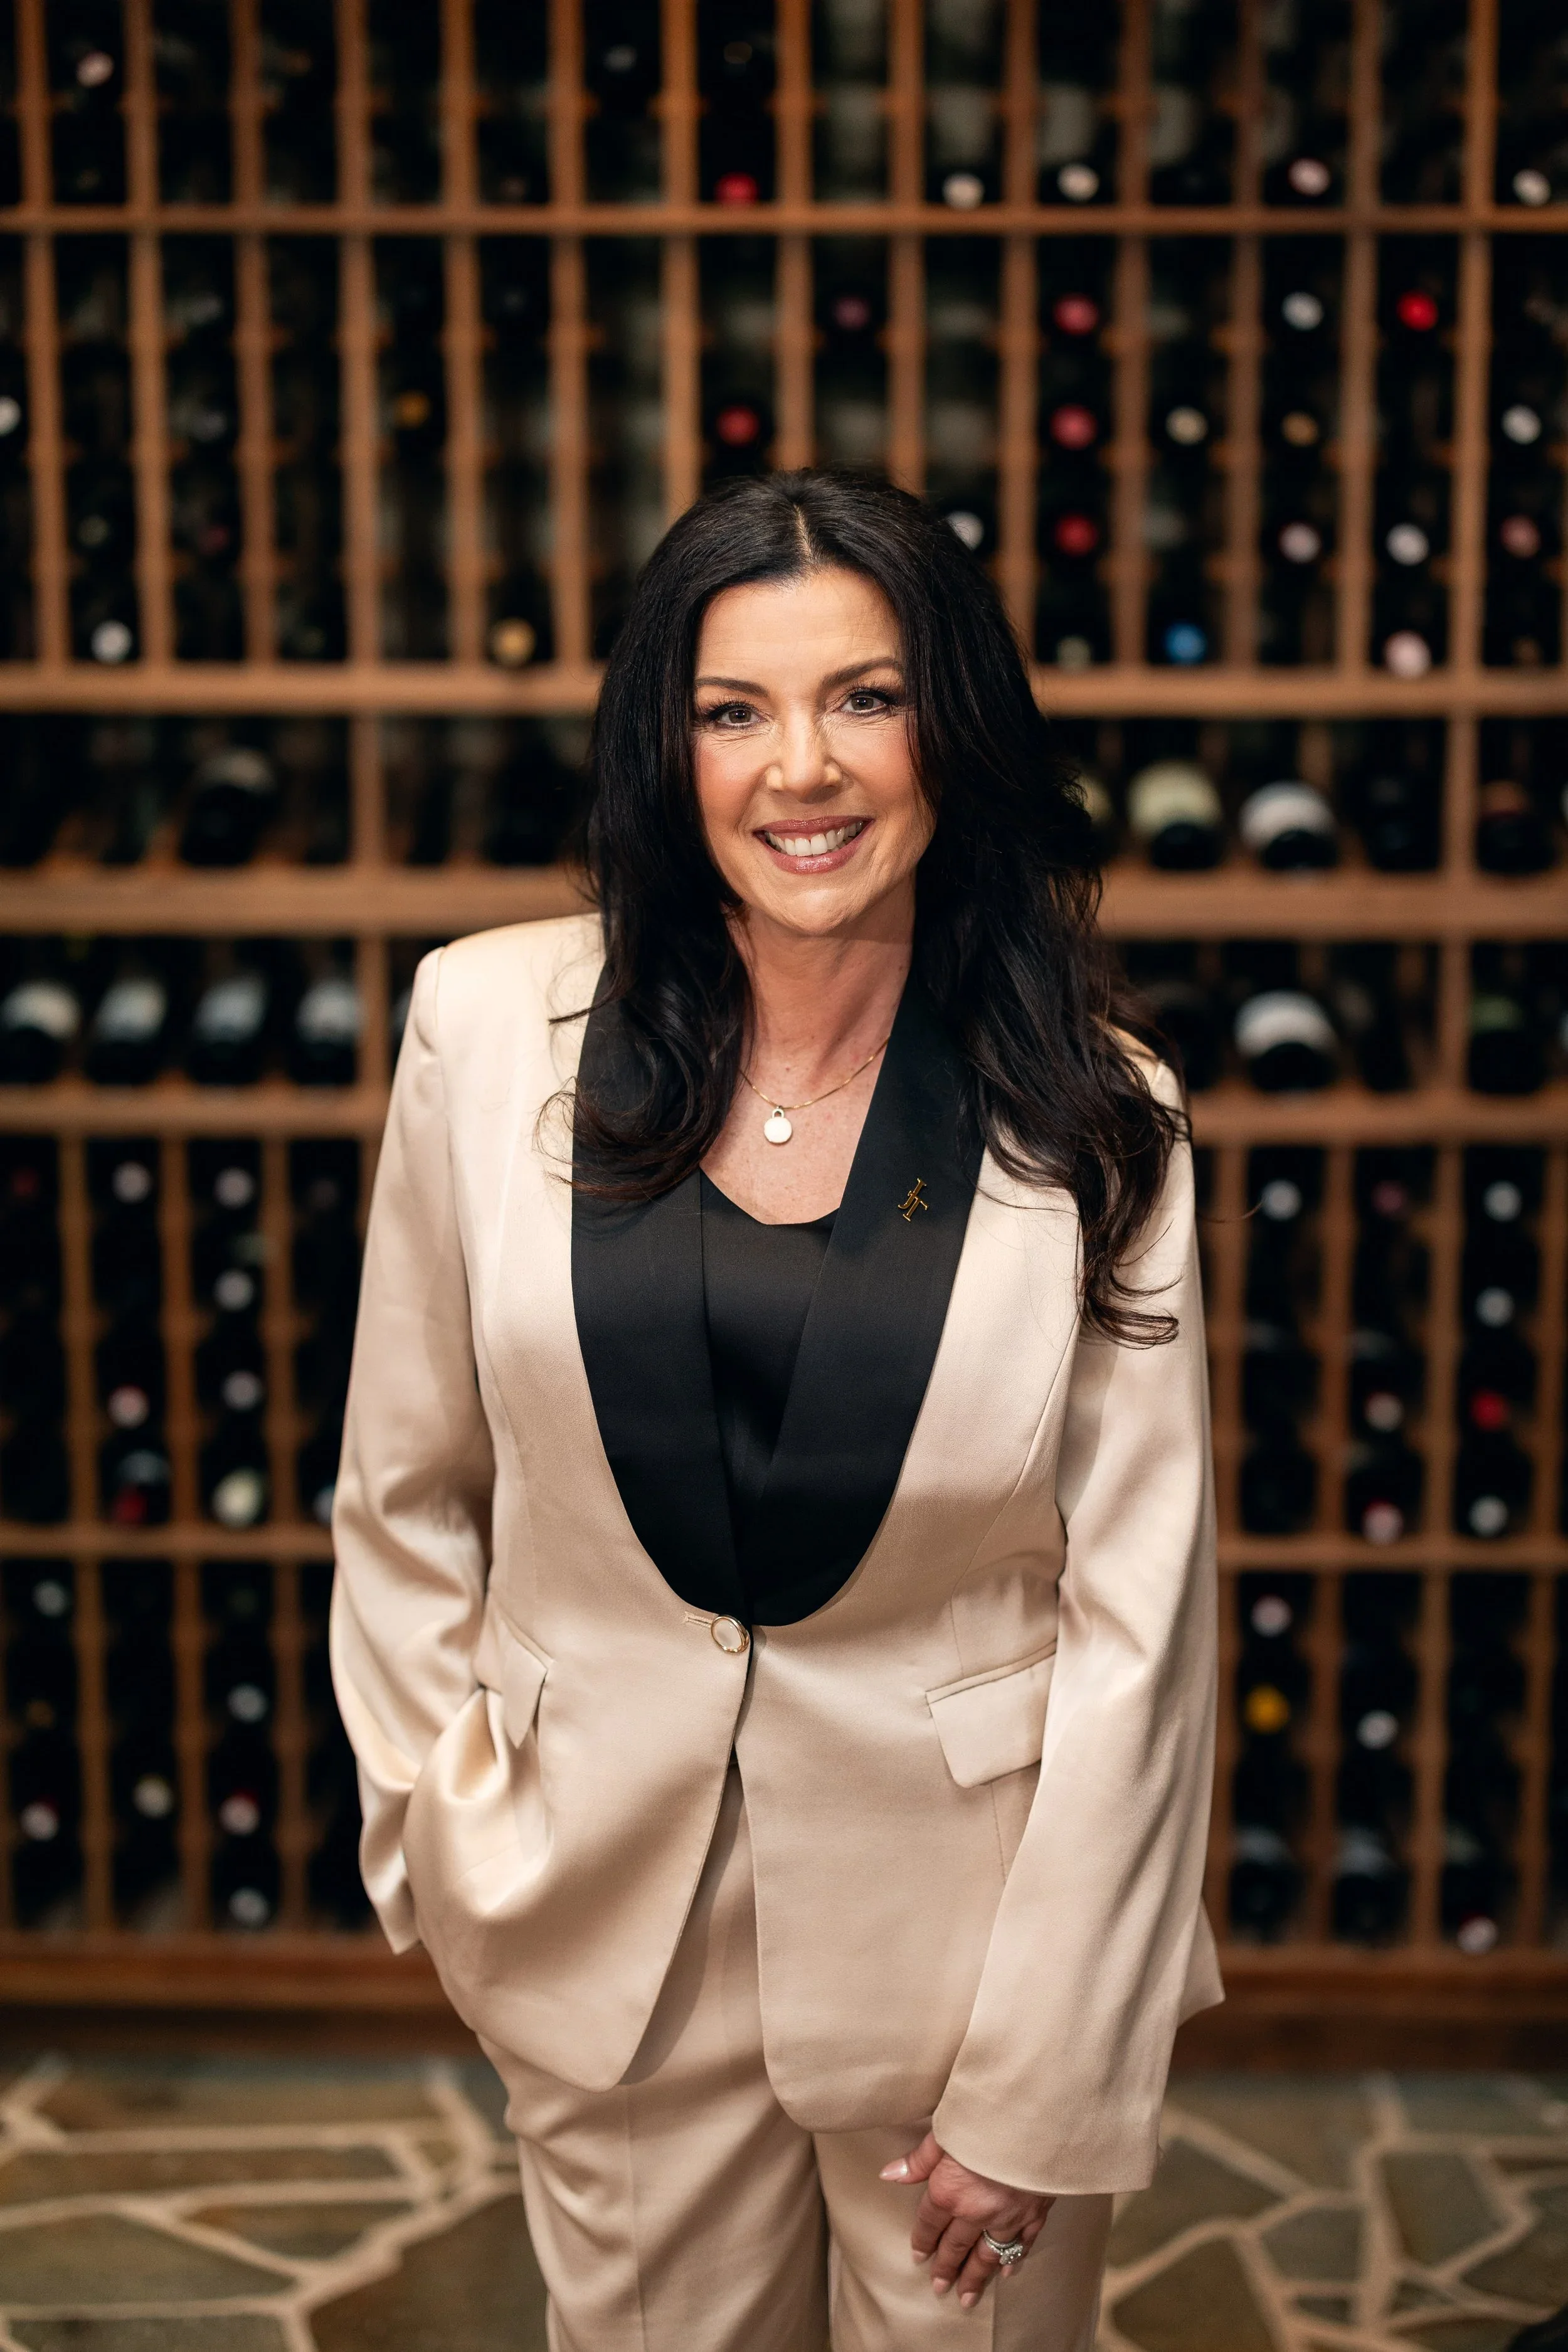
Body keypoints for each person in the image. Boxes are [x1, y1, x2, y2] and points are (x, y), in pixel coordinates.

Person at [331, 468, 1222, 2351]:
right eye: (732, 710)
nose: (798, 769)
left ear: (951, 730)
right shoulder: (480, 1031)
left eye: (864, 699)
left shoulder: (1101, 1114)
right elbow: (403, 1486)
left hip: (969, 1968)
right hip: (600, 1934)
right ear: (665, 749)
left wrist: (1049, 2066)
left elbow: (1140, 1628)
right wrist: (436, 1833)